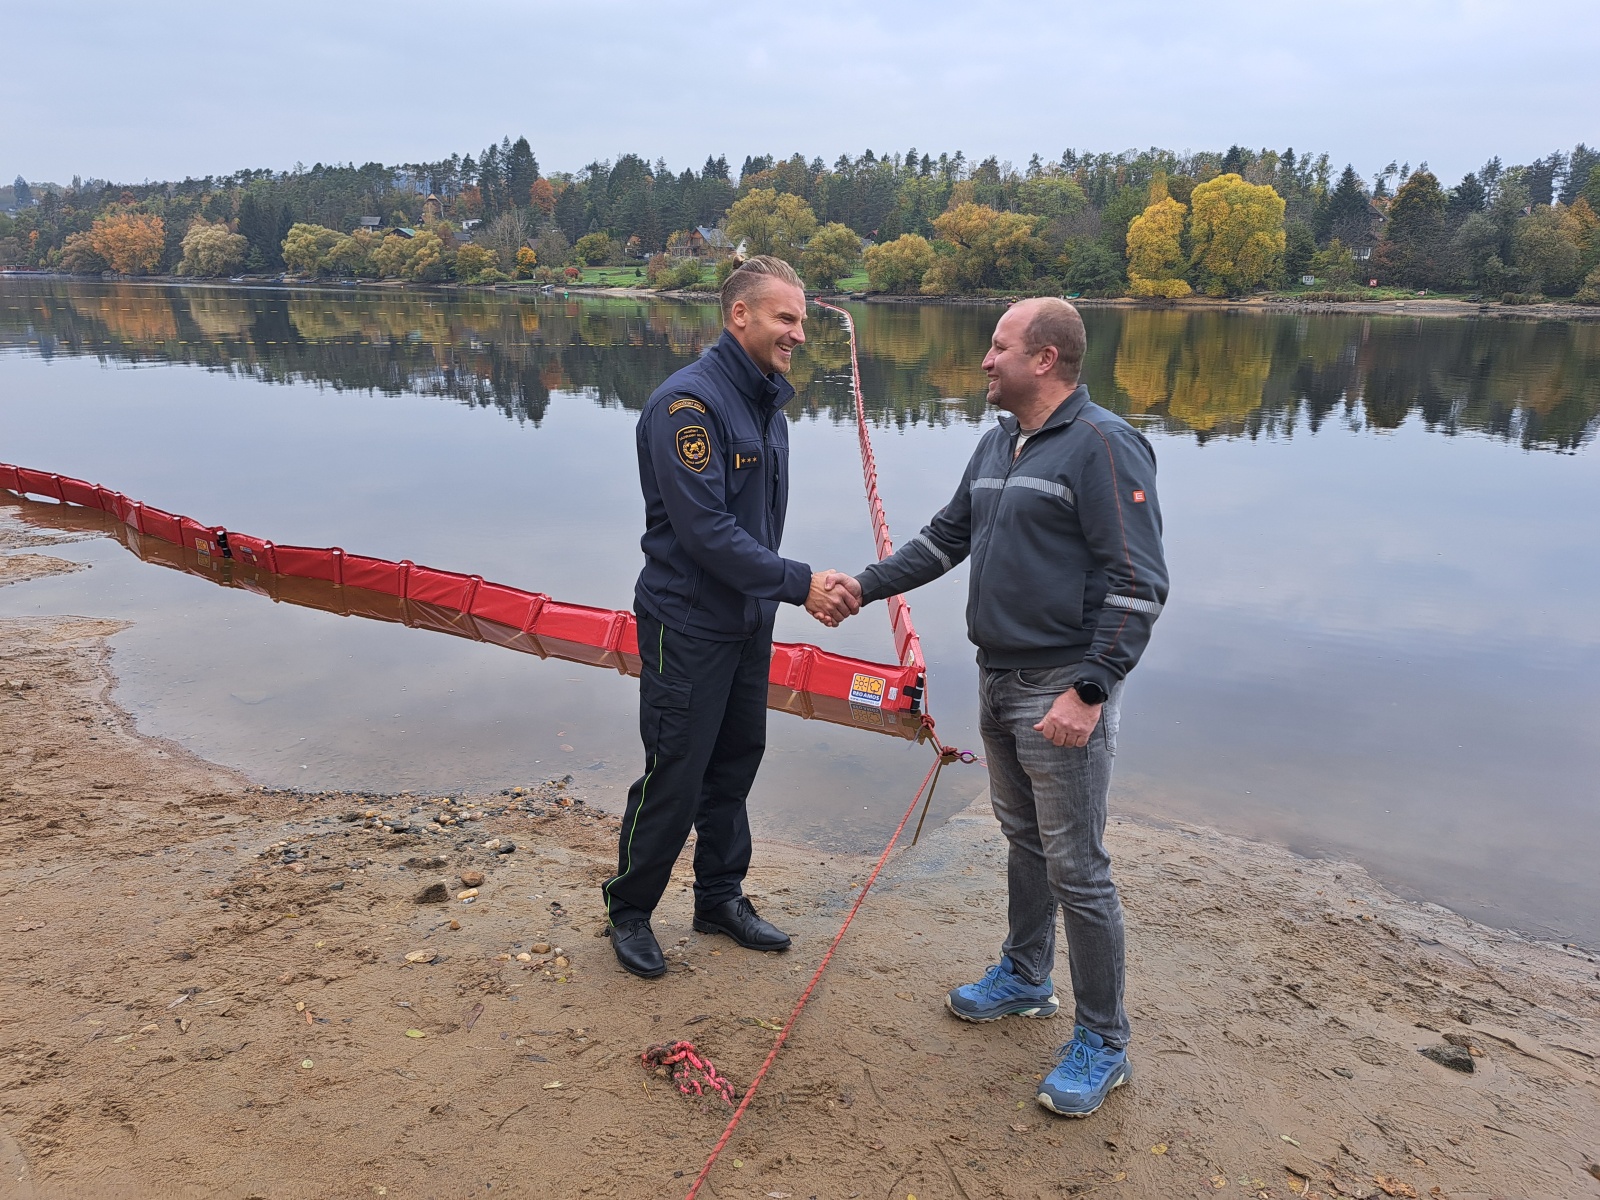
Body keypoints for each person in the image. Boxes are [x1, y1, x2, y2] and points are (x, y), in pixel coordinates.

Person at [821, 298, 1168, 1117]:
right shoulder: (996, 443)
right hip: (997, 677)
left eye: (998, 346)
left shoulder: (1104, 445)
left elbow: (1138, 584)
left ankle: (1105, 1040)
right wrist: (861, 589)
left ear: (1044, 359)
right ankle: (1022, 975)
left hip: (1061, 687)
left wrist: (1090, 689)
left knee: (1078, 867)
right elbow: (945, 539)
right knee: (1023, 840)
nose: (984, 360)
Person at [602, 255, 859, 979]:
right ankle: (629, 909)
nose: (799, 333)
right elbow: (706, 532)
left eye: (803, 319)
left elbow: (749, 527)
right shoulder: (690, 405)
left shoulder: (763, 399)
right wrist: (801, 583)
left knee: (737, 760)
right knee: (675, 773)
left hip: (747, 619)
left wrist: (779, 591)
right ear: (738, 315)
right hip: (686, 622)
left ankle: (718, 897)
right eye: (786, 317)